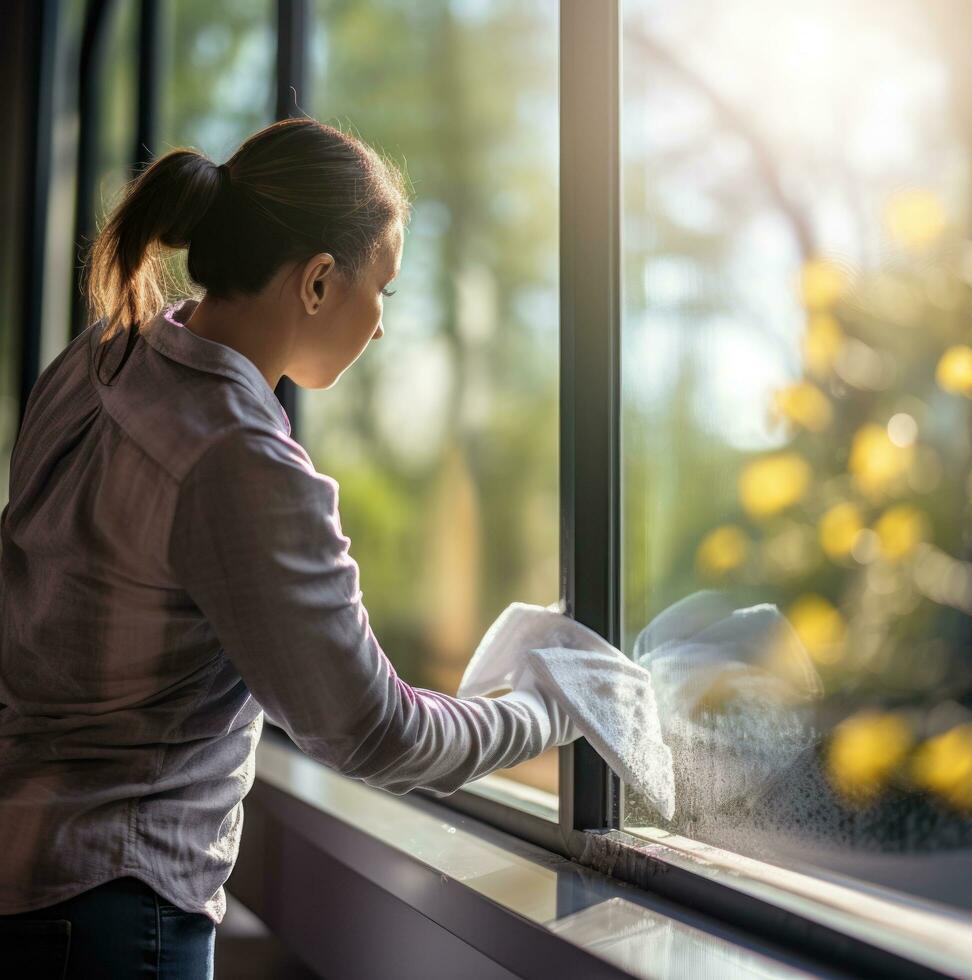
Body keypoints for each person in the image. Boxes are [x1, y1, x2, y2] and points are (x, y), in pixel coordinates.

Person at [0, 117, 577, 978]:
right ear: (315, 283)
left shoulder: (96, 358)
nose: (381, 325)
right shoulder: (239, 460)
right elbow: (373, 730)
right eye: (383, 288)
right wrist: (549, 707)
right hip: (113, 915)